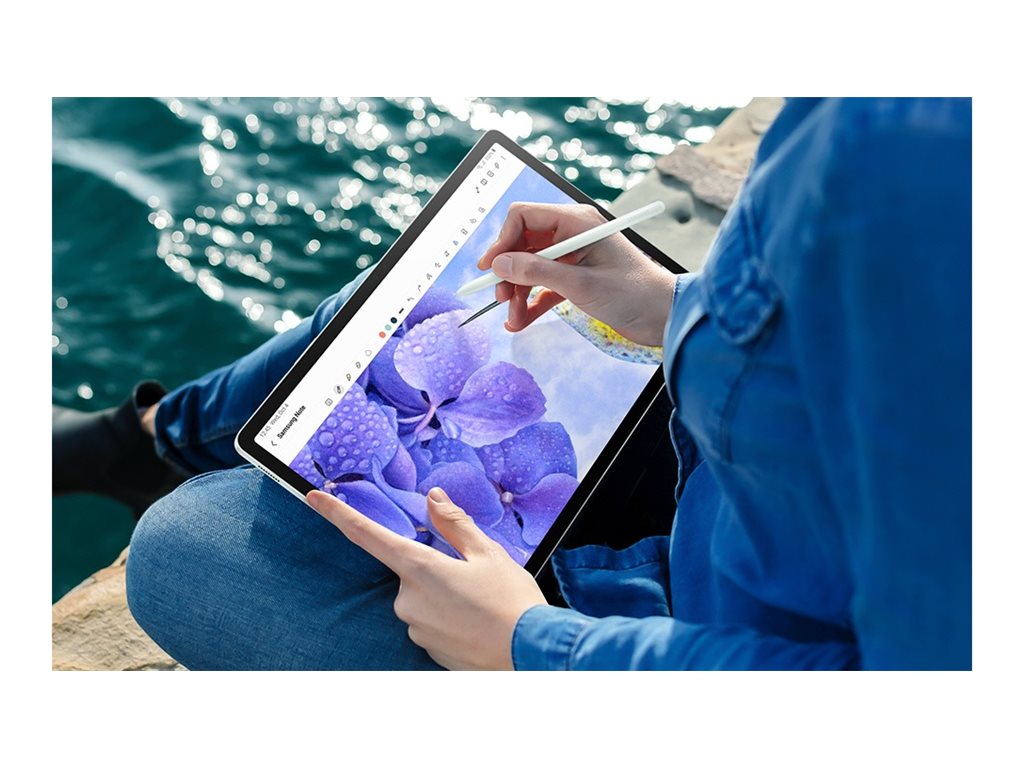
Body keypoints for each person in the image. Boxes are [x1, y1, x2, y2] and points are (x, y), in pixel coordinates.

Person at [56, 97, 971, 669]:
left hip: (704, 632)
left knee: (190, 549)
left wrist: (534, 650)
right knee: (400, 306)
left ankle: (151, 450)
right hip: (738, 486)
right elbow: (849, 336)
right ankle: (153, 441)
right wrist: (671, 306)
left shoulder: (915, 142)